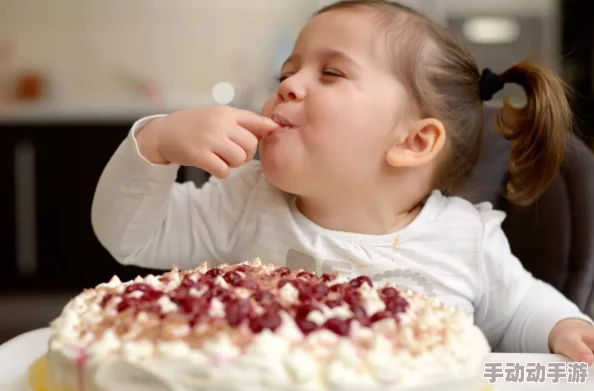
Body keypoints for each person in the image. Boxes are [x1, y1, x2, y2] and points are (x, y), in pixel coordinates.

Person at [91, 0, 594, 363]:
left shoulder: (466, 240)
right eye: (286, 73)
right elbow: (130, 235)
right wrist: (154, 144)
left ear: (413, 142)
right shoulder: (245, 203)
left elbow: (522, 307)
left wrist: (565, 328)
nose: (287, 84)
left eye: (330, 73)